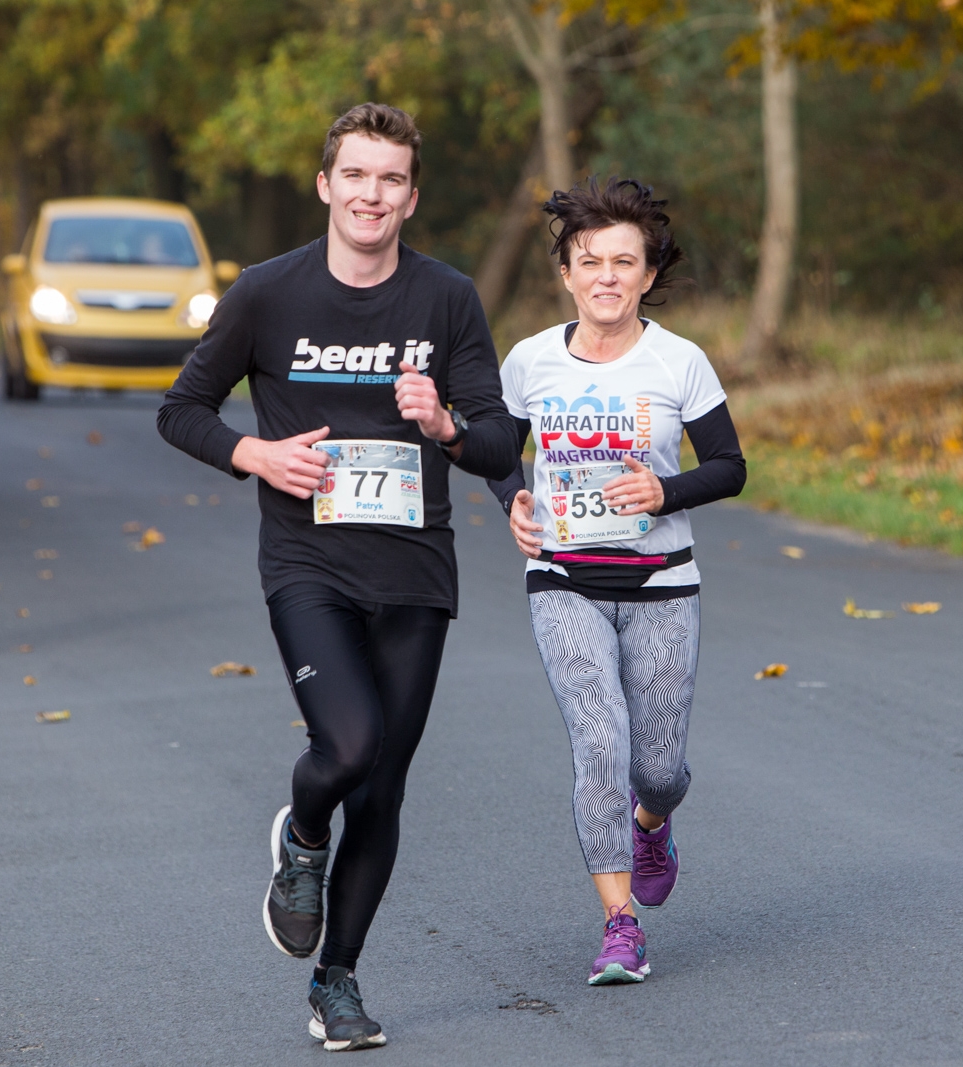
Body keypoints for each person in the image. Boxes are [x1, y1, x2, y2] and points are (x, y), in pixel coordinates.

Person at [157, 103, 516, 1051]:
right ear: (325, 184)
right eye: (355, 175)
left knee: (387, 787)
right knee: (349, 746)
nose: (372, 194)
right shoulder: (267, 295)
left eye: (391, 179)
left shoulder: (447, 299)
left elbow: (494, 438)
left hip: (415, 573)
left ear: (410, 195)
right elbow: (182, 409)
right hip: (307, 563)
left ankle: (337, 982)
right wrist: (257, 457)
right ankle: (303, 834)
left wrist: (441, 425)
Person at [487, 178, 746, 986]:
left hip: (663, 582)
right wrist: (512, 500)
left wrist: (666, 491)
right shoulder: (530, 359)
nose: (605, 274)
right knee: (600, 741)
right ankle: (620, 924)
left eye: (623, 261)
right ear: (566, 271)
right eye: (589, 259)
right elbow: (499, 448)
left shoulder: (680, 361)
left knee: (658, 766)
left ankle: (651, 822)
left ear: (646, 273)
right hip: (562, 578)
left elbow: (732, 467)